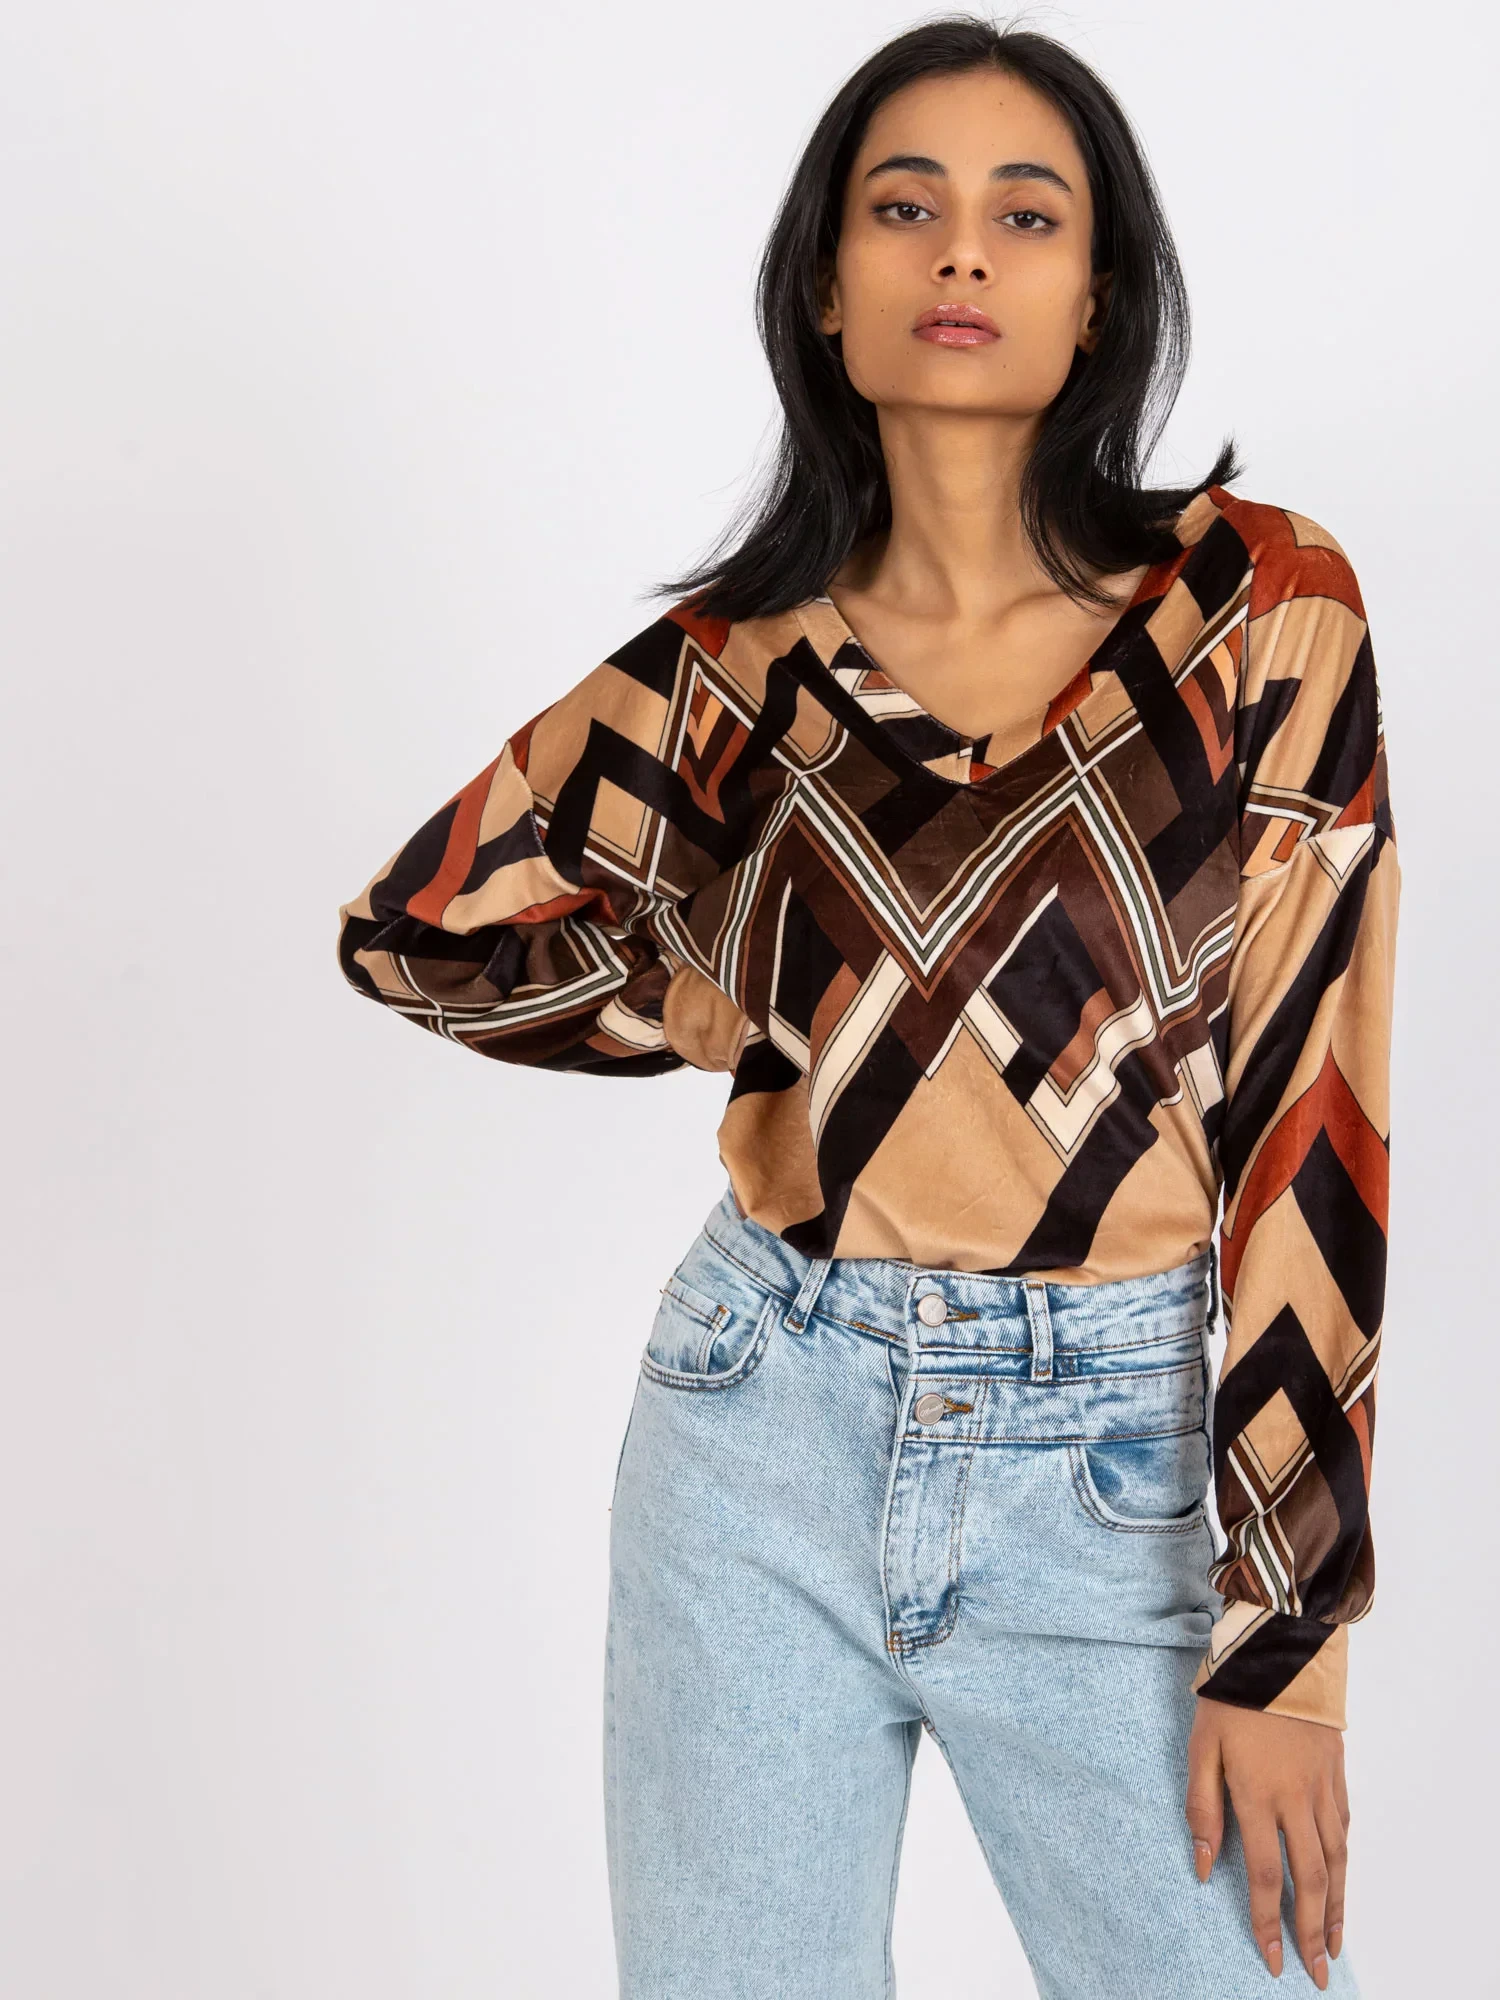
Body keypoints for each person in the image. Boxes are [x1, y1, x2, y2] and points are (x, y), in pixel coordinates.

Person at [335, 18, 1398, 1998]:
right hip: (760, 1426)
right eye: (905, 209)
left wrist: (1287, 1637)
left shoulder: (1259, 607)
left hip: (1121, 1467)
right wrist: (702, 1003)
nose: (963, 252)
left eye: (1026, 214)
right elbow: (421, 928)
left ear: (1101, 296)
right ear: (828, 288)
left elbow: (1312, 1114)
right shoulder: (729, 677)